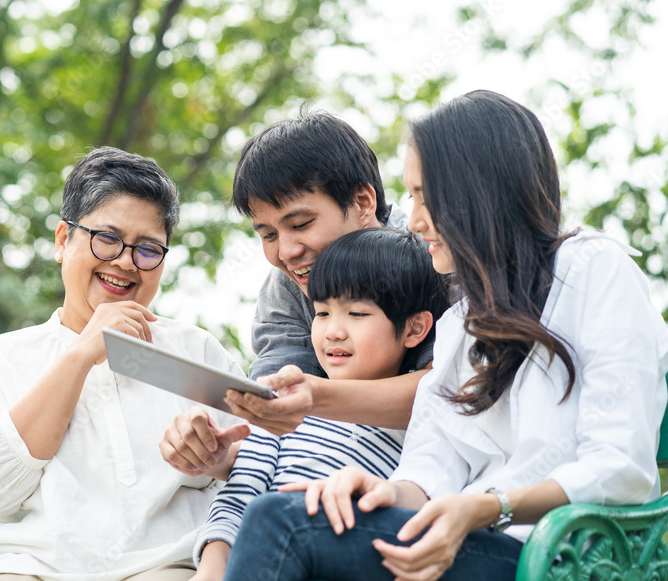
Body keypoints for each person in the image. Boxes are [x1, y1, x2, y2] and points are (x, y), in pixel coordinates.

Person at [219, 90, 668, 581]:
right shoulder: (462, 321)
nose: (412, 221)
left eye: (427, 198)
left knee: (281, 527)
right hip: (470, 538)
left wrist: (485, 508)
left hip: (561, 555)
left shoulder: (592, 268)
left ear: (481, 192)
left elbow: (621, 466)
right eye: (412, 198)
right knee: (305, 510)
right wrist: (381, 492)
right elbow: (433, 463)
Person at [0, 147, 248, 581]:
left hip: (168, 568)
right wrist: (82, 354)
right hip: (29, 572)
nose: (125, 261)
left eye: (148, 249)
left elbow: (265, 466)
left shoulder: (195, 351)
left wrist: (217, 458)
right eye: (108, 238)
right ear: (63, 240)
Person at [161, 110, 428, 479]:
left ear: (364, 203)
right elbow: (278, 415)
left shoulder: (434, 260)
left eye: (301, 225)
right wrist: (220, 451)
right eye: (268, 235)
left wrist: (316, 398)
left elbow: (456, 393)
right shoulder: (286, 287)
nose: (286, 252)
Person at [190, 228, 450, 581]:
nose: (333, 331)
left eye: (356, 314)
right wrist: (210, 570)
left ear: (414, 329)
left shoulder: (423, 434)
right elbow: (240, 495)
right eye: (322, 313)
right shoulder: (285, 414)